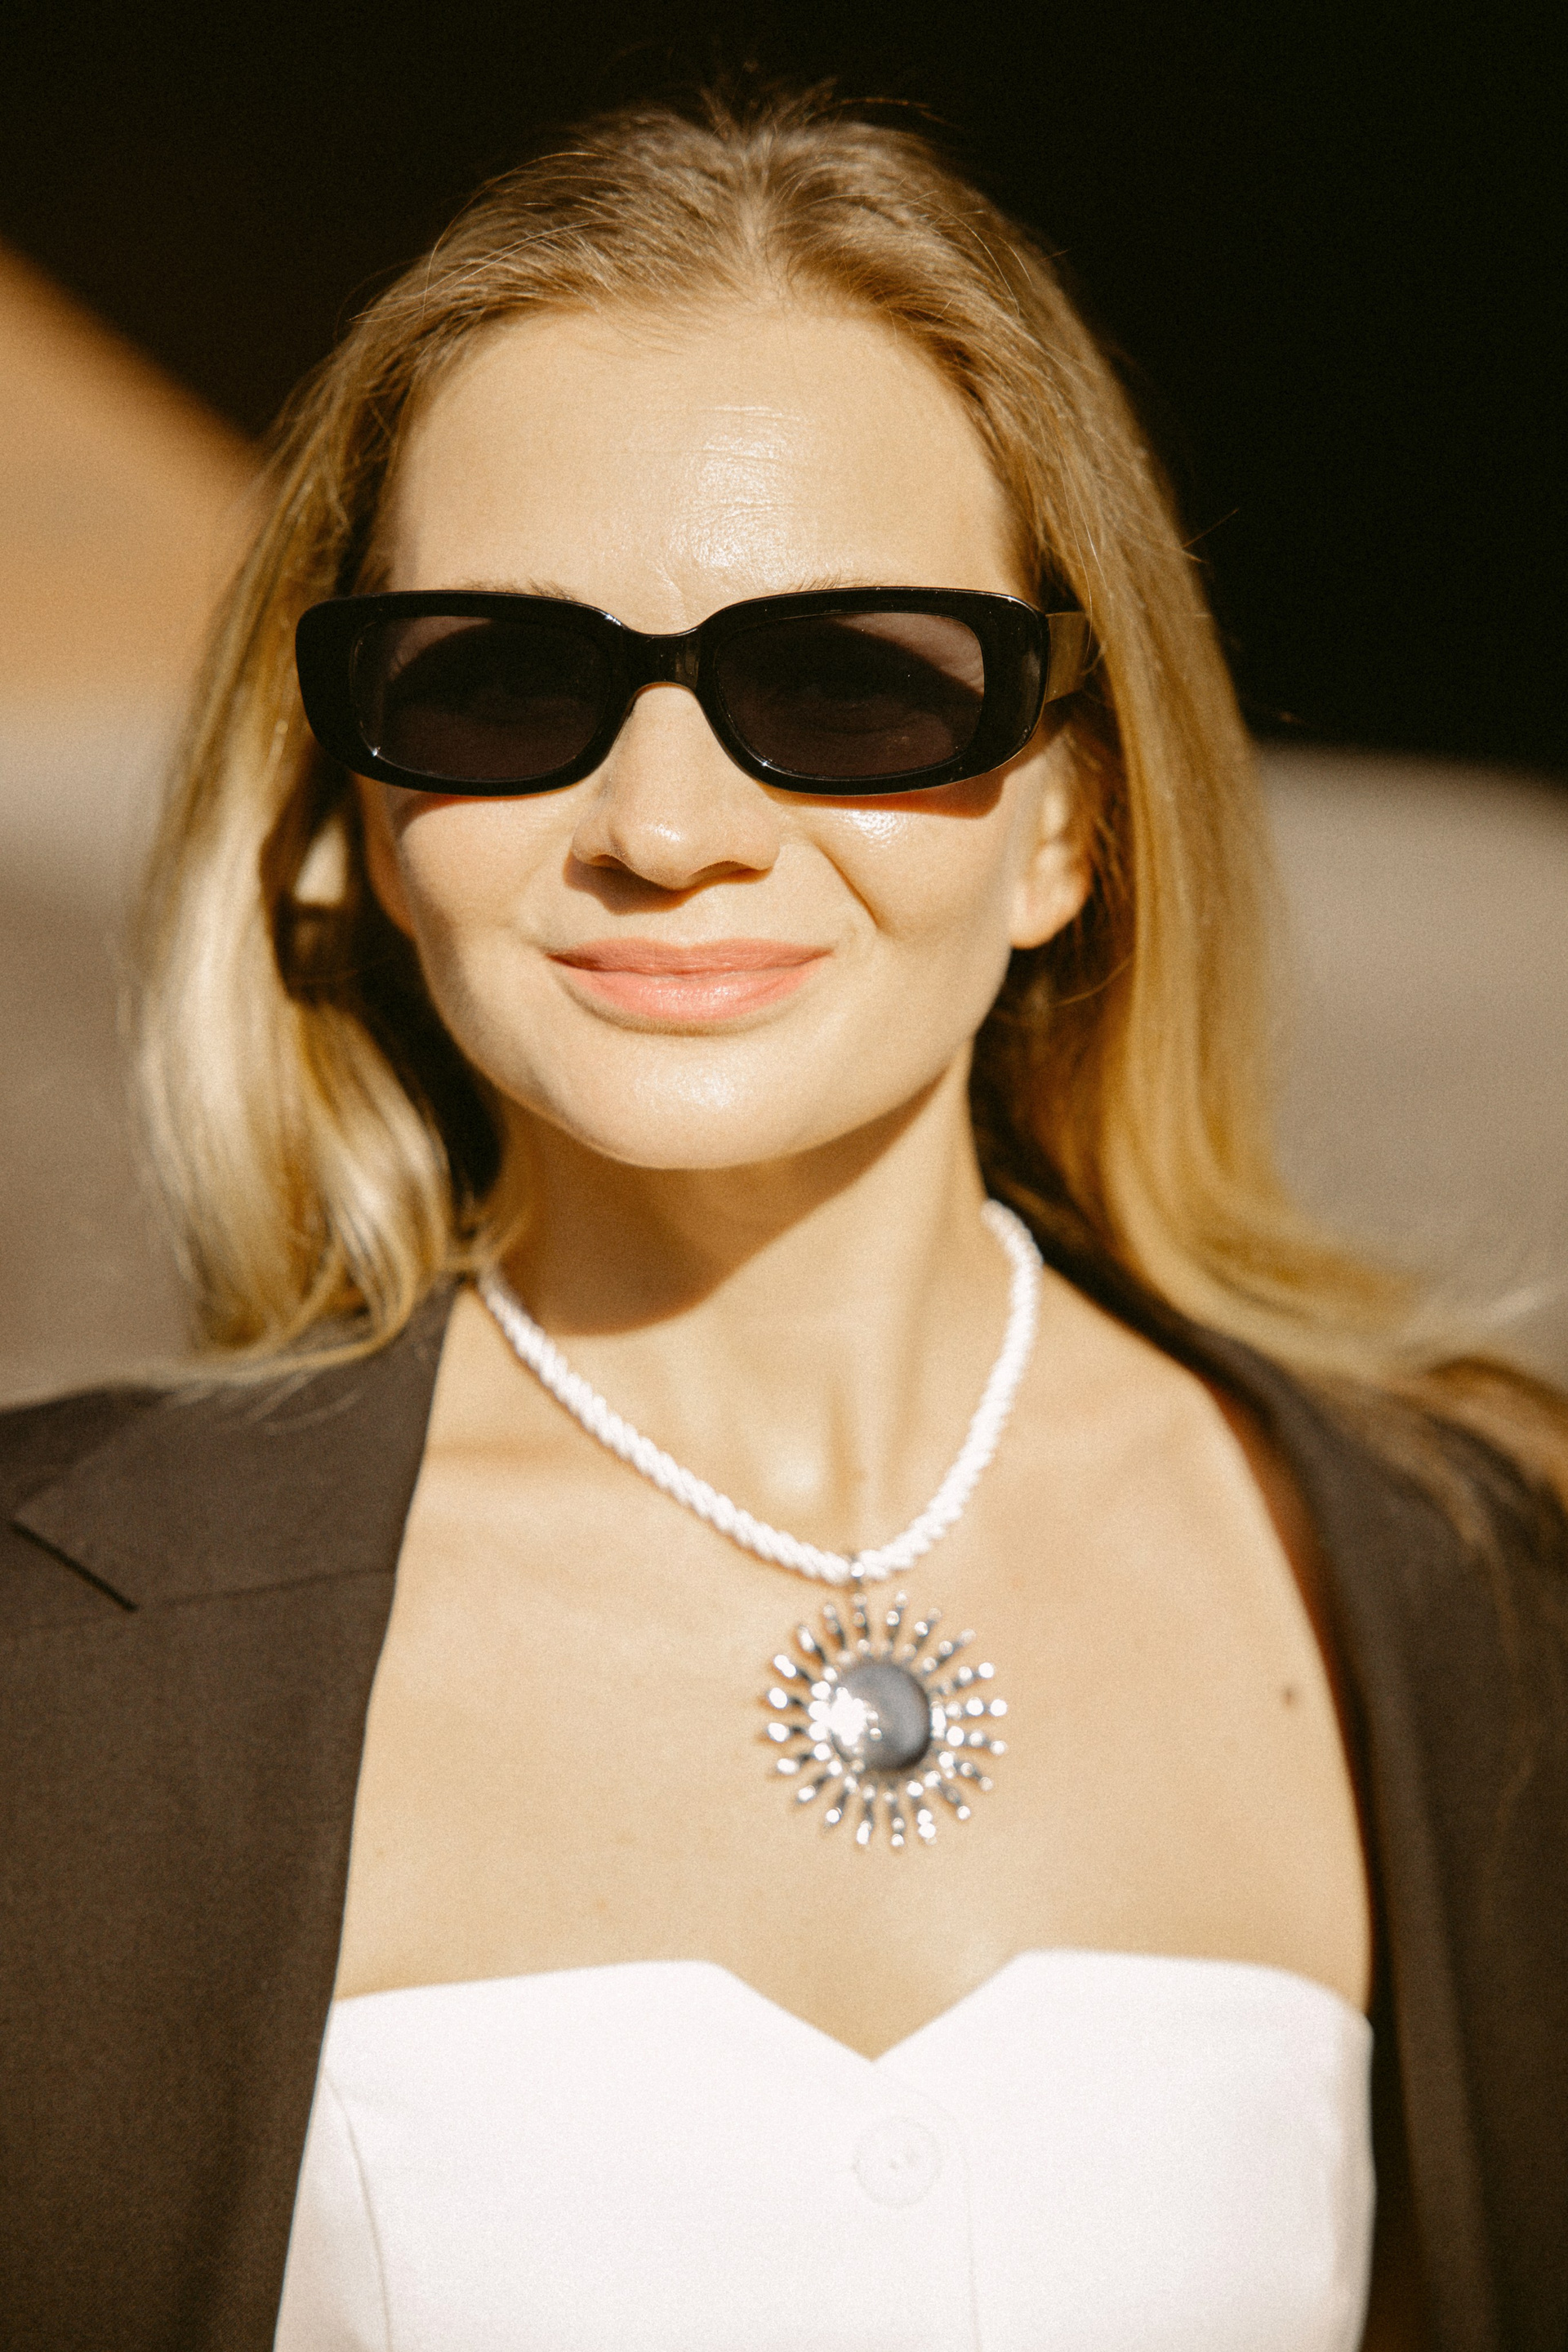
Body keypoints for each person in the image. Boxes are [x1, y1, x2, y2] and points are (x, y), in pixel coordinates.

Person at [2, 87, 1565, 2352]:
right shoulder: (50, 1653)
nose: (666, 826)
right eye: (500, 678)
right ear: (358, 809)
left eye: (846, 680)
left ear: (1068, 822)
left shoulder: (1476, 1599)